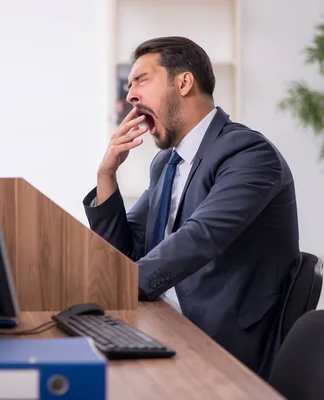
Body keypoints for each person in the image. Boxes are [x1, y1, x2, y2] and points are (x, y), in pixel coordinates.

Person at [82, 36, 301, 379]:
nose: (130, 96)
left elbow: (201, 237)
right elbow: (125, 252)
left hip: (220, 342)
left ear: (184, 82)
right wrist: (106, 174)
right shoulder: (166, 163)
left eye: (140, 79)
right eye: (128, 85)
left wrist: (111, 287)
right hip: (163, 319)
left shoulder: (248, 154)